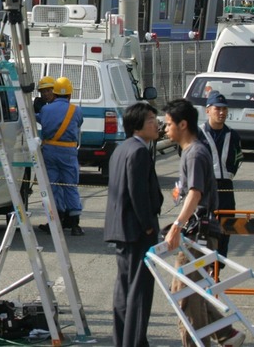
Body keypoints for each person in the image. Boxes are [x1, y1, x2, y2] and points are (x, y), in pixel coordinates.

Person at [163, 99, 245, 347]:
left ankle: (206, 341)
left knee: (185, 295)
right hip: (196, 232)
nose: (166, 129)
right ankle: (226, 335)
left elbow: (195, 193)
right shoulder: (190, 152)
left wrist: (177, 225)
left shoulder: (196, 153)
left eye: (168, 124)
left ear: (183, 124)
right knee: (191, 292)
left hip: (197, 233)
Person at [104, 102, 163, 347]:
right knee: (139, 293)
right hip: (137, 230)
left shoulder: (121, 148)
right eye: (151, 119)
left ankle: (124, 340)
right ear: (138, 125)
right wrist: (149, 225)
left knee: (124, 291)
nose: (156, 123)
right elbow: (137, 192)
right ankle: (135, 342)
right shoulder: (138, 151)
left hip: (121, 229)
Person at [197, 91, 243, 258]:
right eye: (218, 109)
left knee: (225, 229)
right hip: (205, 189)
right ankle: (204, 271)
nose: (222, 112)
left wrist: (228, 173)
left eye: (224, 109)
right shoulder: (198, 134)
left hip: (226, 188)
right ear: (208, 110)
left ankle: (217, 269)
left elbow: (238, 159)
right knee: (204, 229)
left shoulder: (233, 135)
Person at [36, 76, 85, 235]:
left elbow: (40, 120)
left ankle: (56, 221)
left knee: (53, 185)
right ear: (70, 95)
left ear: (55, 94)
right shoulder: (76, 110)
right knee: (70, 186)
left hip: (50, 150)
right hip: (68, 152)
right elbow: (78, 123)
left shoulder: (45, 110)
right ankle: (75, 223)